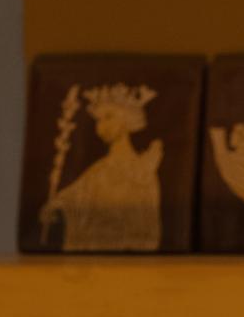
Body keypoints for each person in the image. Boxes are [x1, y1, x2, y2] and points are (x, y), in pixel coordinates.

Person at [42, 82, 163, 252]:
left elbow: (145, 224)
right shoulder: (98, 170)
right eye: (98, 120)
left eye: (109, 117)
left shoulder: (142, 170)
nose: (101, 126)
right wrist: (57, 205)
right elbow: (76, 195)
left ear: (126, 120)